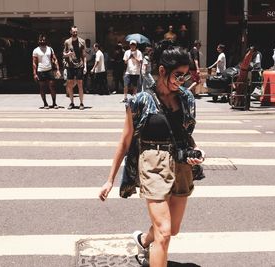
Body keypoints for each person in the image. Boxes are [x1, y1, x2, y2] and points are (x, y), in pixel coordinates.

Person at [99, 45, 205, 267]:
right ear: (162, 71)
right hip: (153, 165)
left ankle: (142, 240)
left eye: (186, 75)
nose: (183, 80)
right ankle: (154, 244)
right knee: (164, 233)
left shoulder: (186, 99)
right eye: (178, 74)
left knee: (171, 229)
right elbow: (125, 141)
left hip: (182, 166)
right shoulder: (140, 101)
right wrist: (110, 179)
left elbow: (186, 135)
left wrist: (197, 152)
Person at [32, 34, 60, 109]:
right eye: (41, 40)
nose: (42, 41)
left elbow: (55, 59)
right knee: (42, 88)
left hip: (49, 70)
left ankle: (54, 103)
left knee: (52, 87)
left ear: (46, 40)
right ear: (38, 41)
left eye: (44, 40)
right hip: (41, 71)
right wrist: (34, 73)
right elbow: (34, 63)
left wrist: (57, 69)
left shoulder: (50, 49)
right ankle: (45, 103)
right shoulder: (36, 50)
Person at [63, 26, 86, 110]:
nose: (75, 33)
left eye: (76, 31)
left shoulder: (82, 42)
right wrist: (68, 55)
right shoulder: (67, 42)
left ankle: (81, 103)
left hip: (79, 65)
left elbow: (84, 56)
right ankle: (72, 102)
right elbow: (64, 54)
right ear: (70, 32)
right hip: (70, 66)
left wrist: (85, 66)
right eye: (73, 32)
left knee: (80, 84)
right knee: (70, 85)